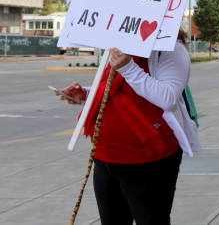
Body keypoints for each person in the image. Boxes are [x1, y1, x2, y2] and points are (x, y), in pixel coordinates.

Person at [57, 30, 199, 225]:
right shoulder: (122, 46)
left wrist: (128, 67)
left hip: (149, 160)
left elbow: (167, 97)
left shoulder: (171, 49)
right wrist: (85, 95)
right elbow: (115, 89)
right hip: (106, 157)